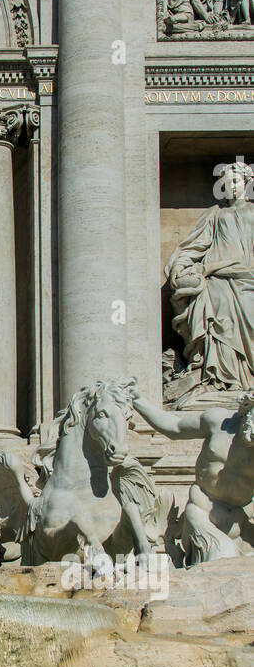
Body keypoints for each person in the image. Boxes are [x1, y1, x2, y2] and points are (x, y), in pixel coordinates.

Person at [131, 382, 254, 563]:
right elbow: (175, 427)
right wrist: (137, 400)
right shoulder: (219, 422)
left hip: (241, 523)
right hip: (202, 513)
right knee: (222, 560)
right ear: (248, 408)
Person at [165, 159, 254, 393]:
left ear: (247, 182)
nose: (232, 186)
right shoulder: (214, 214)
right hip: (217, 280)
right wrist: (180, 265)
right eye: (227, 183)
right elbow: (195, 246)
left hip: (248, 277)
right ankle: (224, 378)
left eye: (236, 181)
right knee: (215, 304)